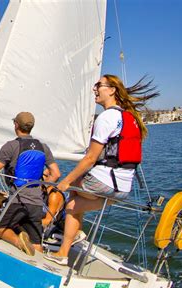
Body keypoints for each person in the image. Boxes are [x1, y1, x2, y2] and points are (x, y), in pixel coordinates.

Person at [44, 74, 159, 265]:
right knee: (74, 203)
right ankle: (74, 236)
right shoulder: (129, 117)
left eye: (99, 85)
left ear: (112, 90)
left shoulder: (107, 118)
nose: (94, 89)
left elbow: (90, 159)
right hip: (122, 189)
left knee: (71, 193)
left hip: (104, 183)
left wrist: (65, 181)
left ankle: (64, 250)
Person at [0, 112, 61, 256]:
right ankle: (37, 261)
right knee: (37, 244)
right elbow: (56, 174)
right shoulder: (43, 147)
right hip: (36, 202)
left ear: (16, 125)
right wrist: (42, 187)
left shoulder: (11, 146)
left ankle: (20, 242)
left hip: (17, 200)